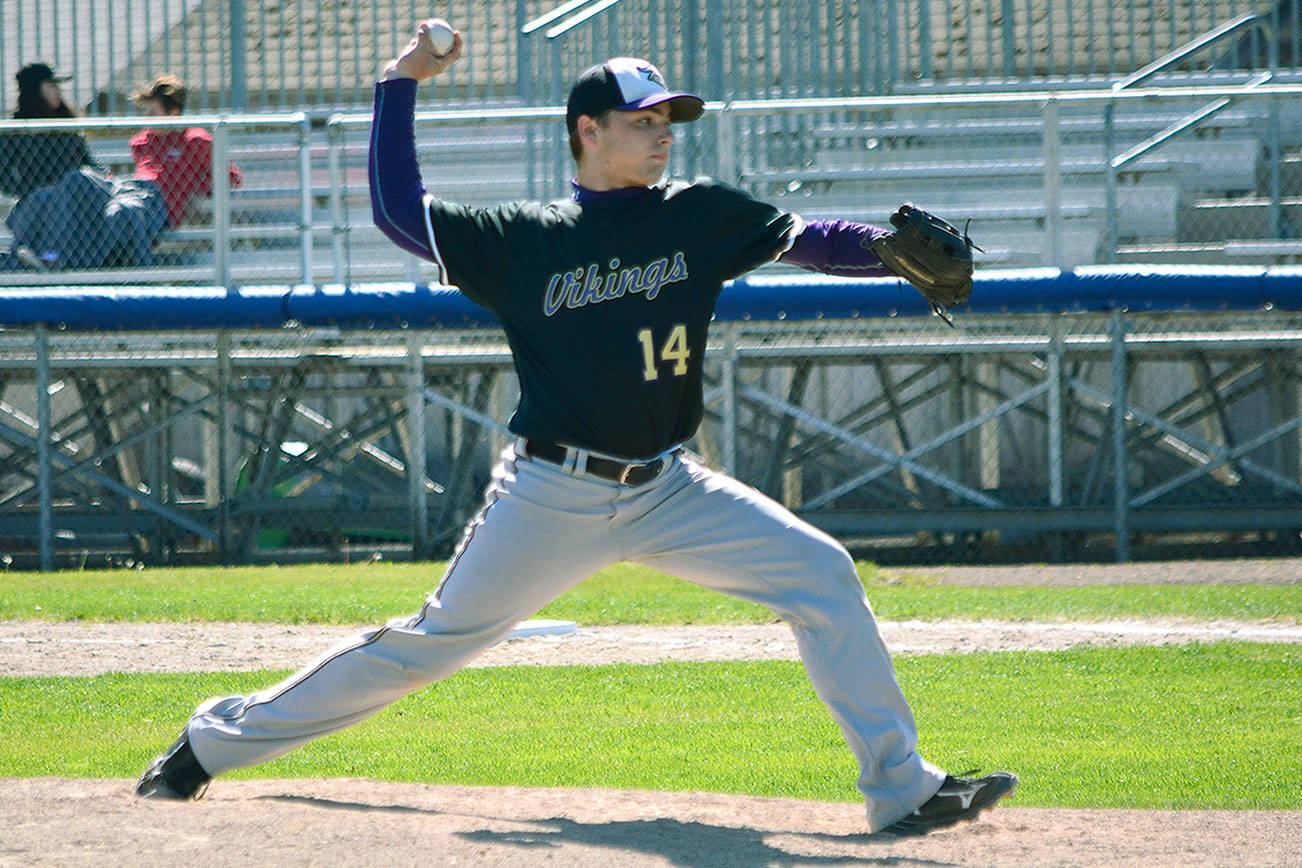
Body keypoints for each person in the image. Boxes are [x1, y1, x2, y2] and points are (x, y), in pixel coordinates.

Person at [136, 20, 1017, 836]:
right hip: (552, 495)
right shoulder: (526, 238)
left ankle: (902, 790)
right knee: (426, 648)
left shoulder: (698, 213)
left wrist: (884, 252)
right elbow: (401, 213)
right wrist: (399, 82)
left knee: (821, 575)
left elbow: (810, 238)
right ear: (587, 131)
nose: (663, 133)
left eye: (668, 119)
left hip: (671, 488)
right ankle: (209, 744)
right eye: (643, 120)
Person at [130, 75, 242, 228]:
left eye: (153, 113)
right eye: (147, 112)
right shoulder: (141, 143)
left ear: (174, 113)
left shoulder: (194, 140)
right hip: (137, 199)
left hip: (162, 211)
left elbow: (231, 176)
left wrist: (196, 188)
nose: (147, 118)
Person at [0, 62, 101, 201]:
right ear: (35, 90)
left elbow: (87, 161)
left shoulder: (63, 123)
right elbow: (4, 174)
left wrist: (104, 175)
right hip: (42, 202)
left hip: (76, 197)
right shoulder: (16, 129)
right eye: (52, 86)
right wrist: (28, 195)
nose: (57, 91)